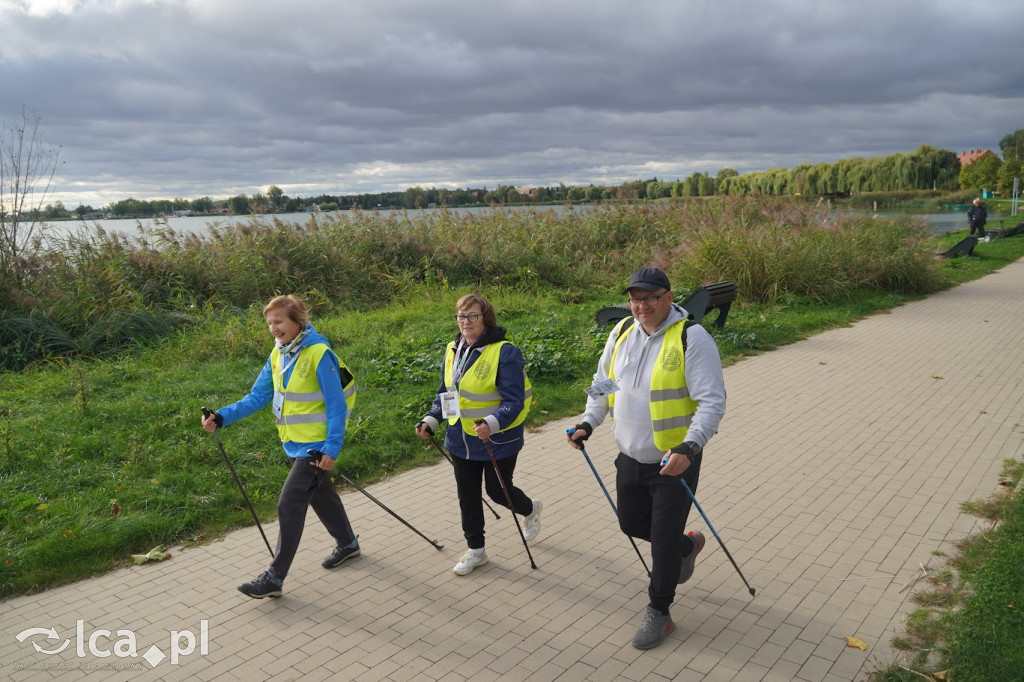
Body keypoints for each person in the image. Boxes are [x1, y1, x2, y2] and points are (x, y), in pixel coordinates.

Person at [567, 267, 726, 650]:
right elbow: (604, 382)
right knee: (630, 523)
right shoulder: (621, 332)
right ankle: (685, 548)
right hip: (629, 454)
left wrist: (689, 448)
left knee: (661, 540)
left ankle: (660, 611)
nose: (642, 306)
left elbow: (712, 402)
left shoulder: (692, 338)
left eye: (650, 298)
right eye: (636, 299)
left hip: (674, 462)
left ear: (669, 298)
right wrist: (589, 421)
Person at [202, 294, 359, 599]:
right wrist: (221, 417)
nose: (273, 328)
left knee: (289, 503)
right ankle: (348, 544)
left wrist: (331, 449)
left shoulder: (318, 354)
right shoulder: (279, 354)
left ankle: (274, 577)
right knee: (322, 497)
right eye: (270, 323)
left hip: (315, 448)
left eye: (279, 322)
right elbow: (257, 397)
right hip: (294, 444)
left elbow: (336, 406)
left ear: (297, 321)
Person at [415, 293, 541, 576]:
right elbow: (446, 393)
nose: (466, 322)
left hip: (497, 438)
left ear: (486, 319)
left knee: (498, 491)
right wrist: (432, 420)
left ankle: (530, 509)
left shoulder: (505, 352)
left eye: (472, 316)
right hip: (461, 438)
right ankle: (476, 551)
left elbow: (514, 400)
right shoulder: (453, 349)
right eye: (461, 316)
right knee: (468, 496)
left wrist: (492, 422)